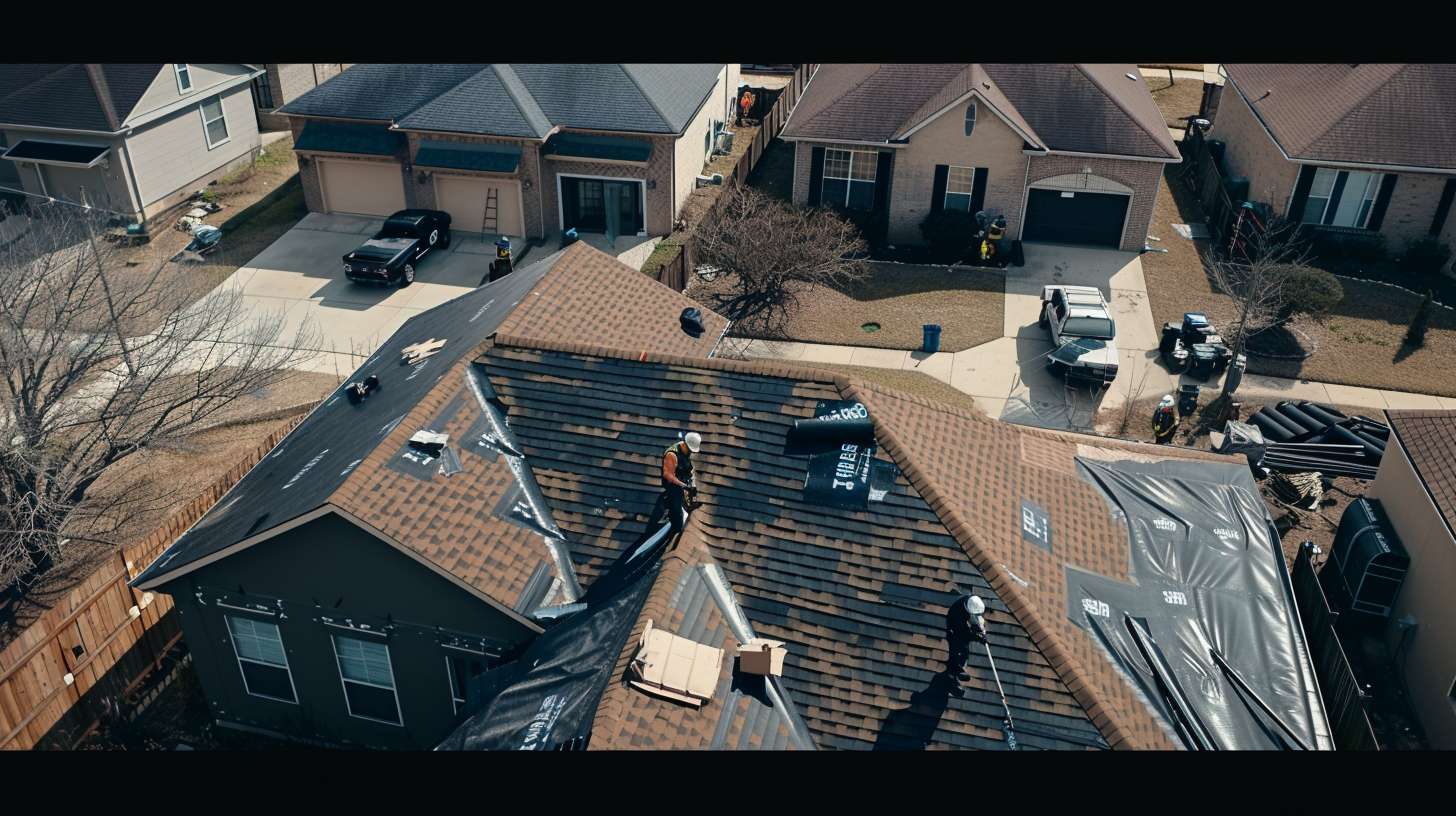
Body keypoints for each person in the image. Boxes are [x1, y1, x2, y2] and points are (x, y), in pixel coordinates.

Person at [649, 432, 701, 547]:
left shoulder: (686, 453)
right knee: (677, 516)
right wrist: (682, 485)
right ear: (685, 445)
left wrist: (692, 486)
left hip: (683, 484)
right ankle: (672, 536)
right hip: (673, 487)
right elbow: (668, 475)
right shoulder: (672, 455)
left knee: (690, 504)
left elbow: (690, 471)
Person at [944, 594, 988, 697]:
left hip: (962, 626)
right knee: (958, 650)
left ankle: (960, 668)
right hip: (954, 631)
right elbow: (964, 634)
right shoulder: (957, 615)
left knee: (965, 651)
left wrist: (980, 628)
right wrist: (978, 637)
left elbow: (976, 617)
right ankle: (954, 675)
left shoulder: (971, 601)